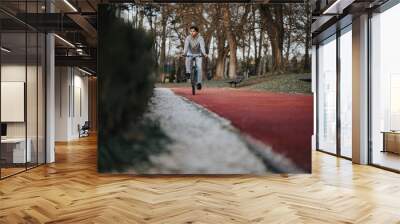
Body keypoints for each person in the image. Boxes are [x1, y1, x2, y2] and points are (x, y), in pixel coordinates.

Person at [182, 25, 208, 90]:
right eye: (191, 31)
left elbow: (202, 47)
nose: (192, 32)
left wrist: (204, 54)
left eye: (193, 31)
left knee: (199, 68)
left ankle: (199, 83)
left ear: (197, 32)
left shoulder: (200, 38)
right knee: (187, 59)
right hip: (190, 53)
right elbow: (186, 47)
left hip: (198, 54)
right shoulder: (188, 38)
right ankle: (188, 72)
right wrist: (183, 53)